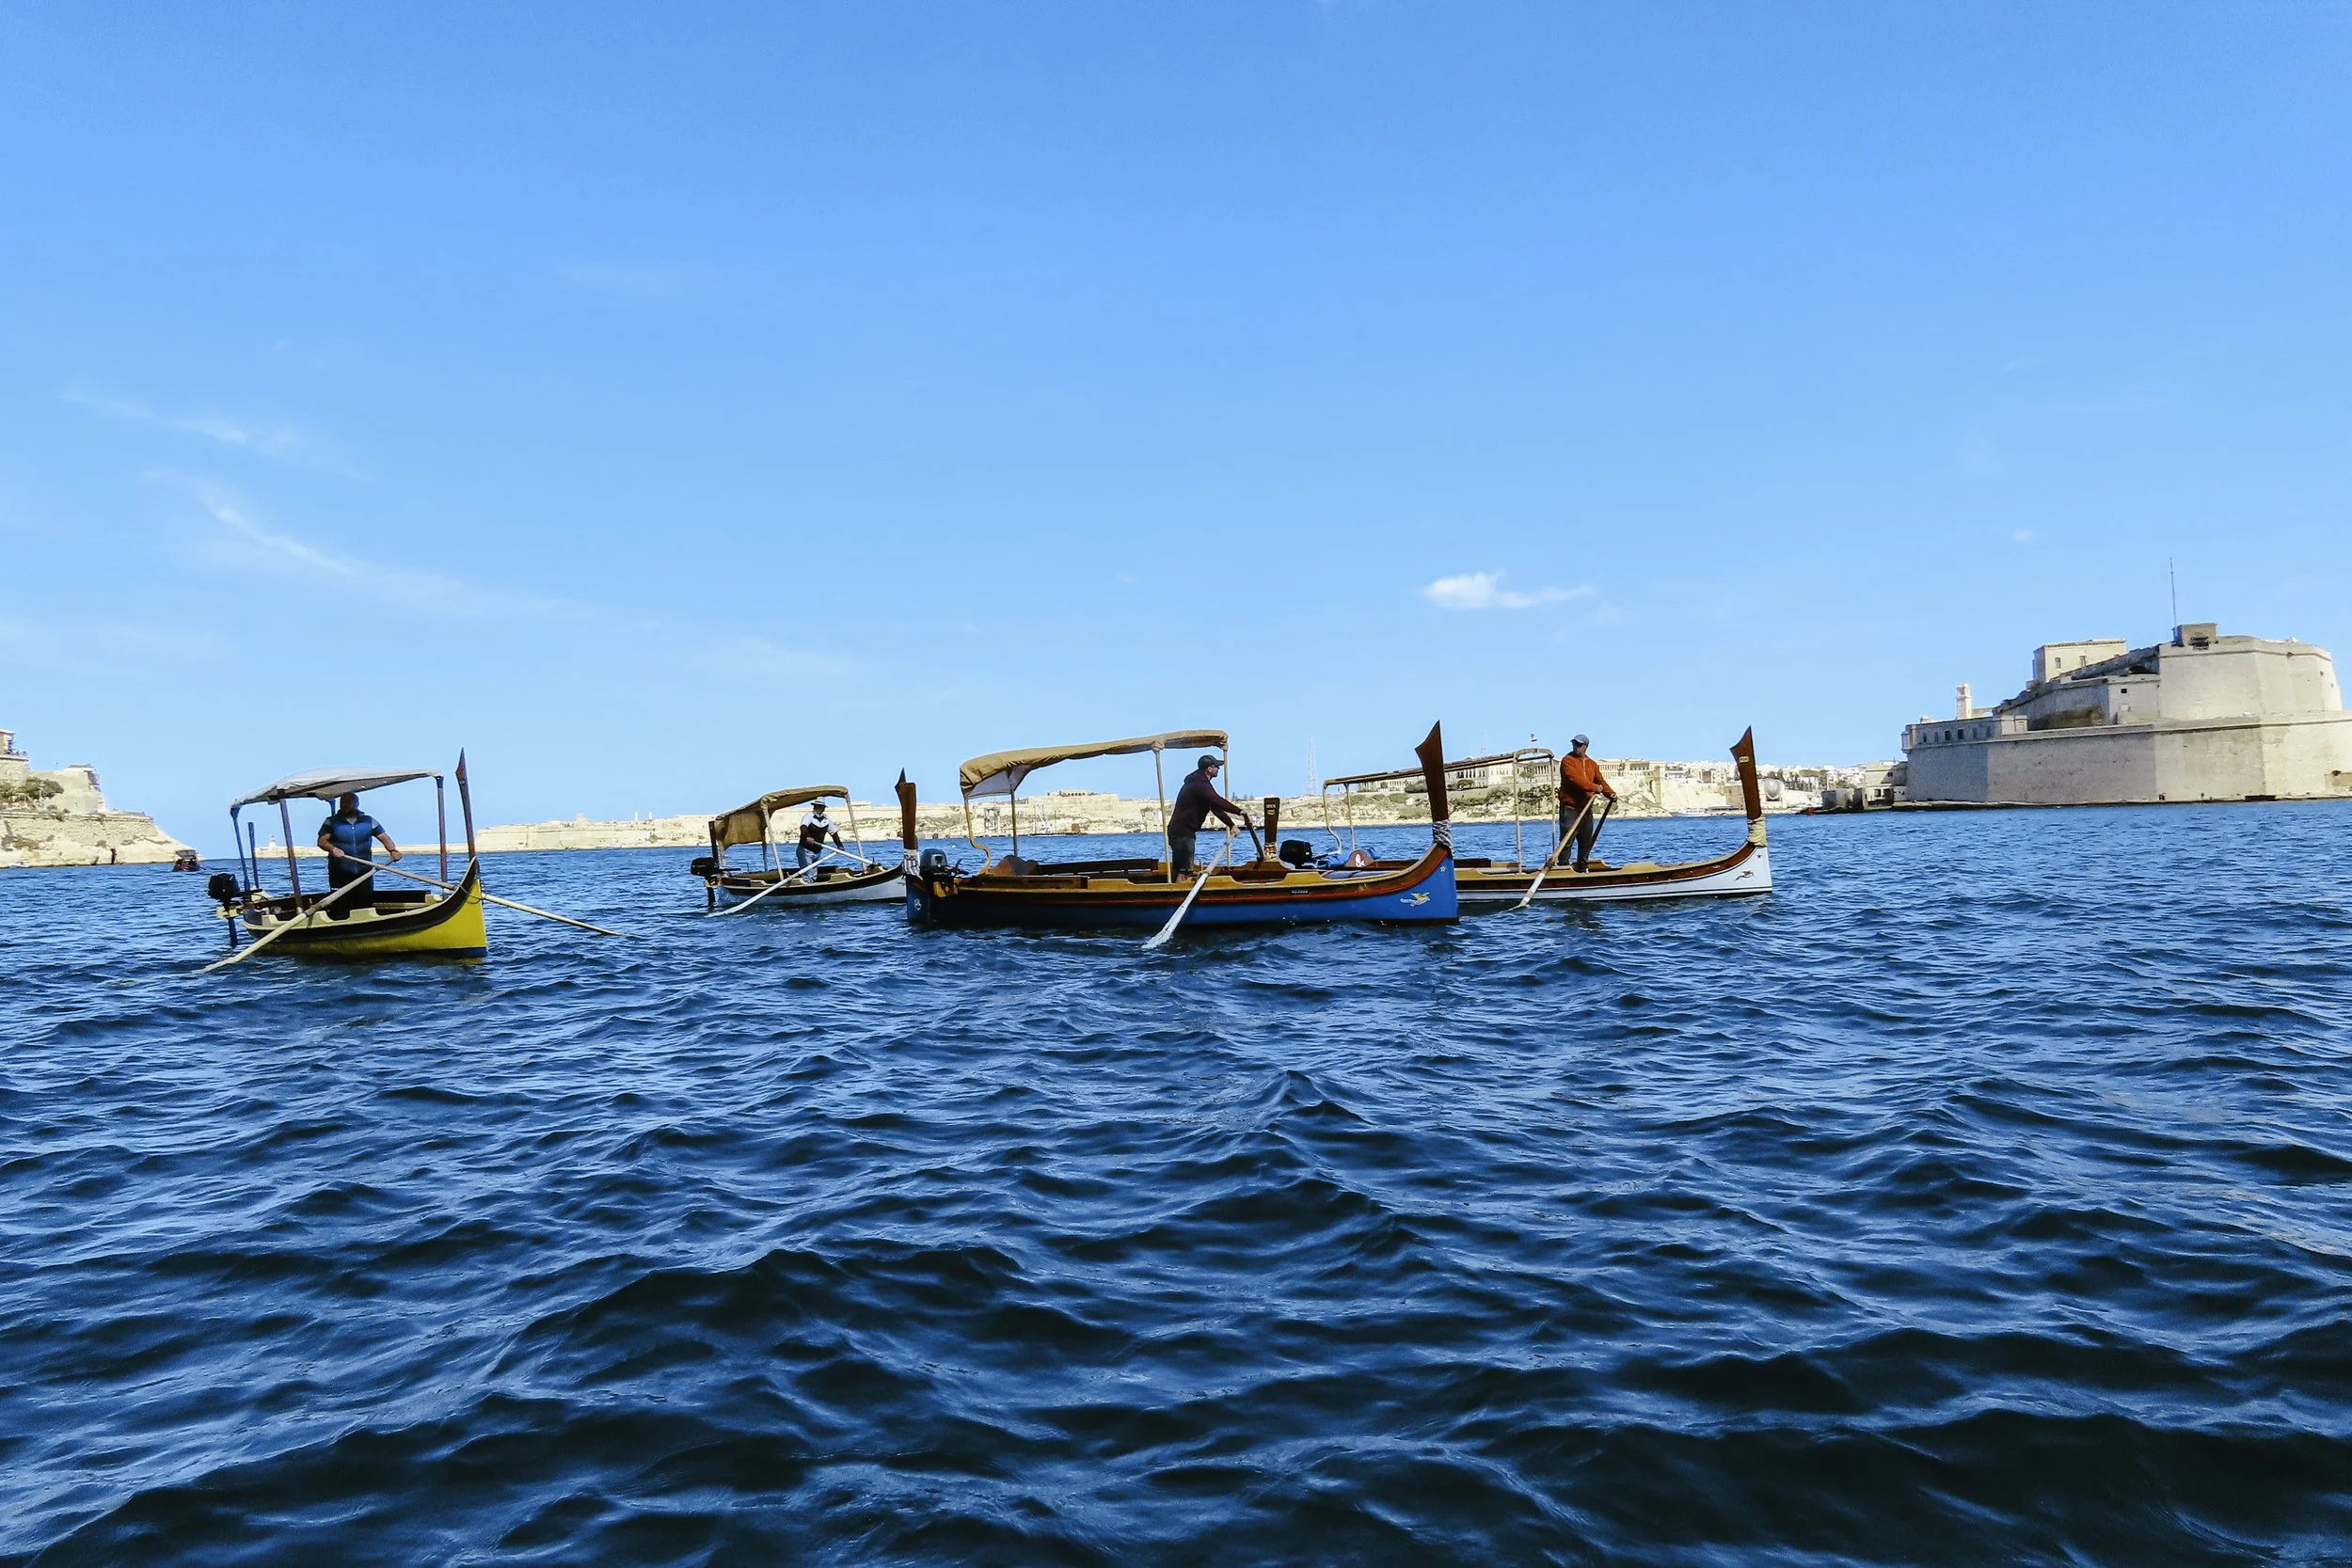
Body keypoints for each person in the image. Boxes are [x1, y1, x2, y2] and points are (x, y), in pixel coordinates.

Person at [1165, 752, 1245, 878]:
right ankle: (1179, 888)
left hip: (1181, 831)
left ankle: (1177, 886)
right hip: (1182, 833)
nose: (1218, 769)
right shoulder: (1200, 784)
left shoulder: (1199, 783)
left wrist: (1231, 825)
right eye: (1216, 766)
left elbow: (1215, 808)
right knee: (1184, 870)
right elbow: (1217, 800)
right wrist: (1240, 812)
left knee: (1182, 867)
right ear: (1209, 769)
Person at [316, 792, 401, 901]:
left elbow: (384, 838)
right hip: (339, 871)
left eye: (348, 802)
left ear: (356, 804)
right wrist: (333, 849)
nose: (344, 805)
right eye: (342, 802)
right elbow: (322, 842)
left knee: (364, 901)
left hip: (364, 871)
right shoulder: (331, 822)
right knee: (340, 903)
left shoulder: (368, 821)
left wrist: (393, 851)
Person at [1557, 734, 1617, 872]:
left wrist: (1610, 793)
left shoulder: (1592, 764)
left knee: (1586, 843)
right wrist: (1594, 788)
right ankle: (1563, 868)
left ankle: (1582, 869)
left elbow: (1600, 781)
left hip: (1586, 810)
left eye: (1579, 745)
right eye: (1574, 744)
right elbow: (1575, 780)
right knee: (1566, 842)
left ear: (1585, 746)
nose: (1576, 747)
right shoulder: (1567, 761)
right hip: (1570, 809)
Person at [797, 800, 844, 869]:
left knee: (813, 872)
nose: (818, 808)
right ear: (814, 806)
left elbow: (833, 833)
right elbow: (803, 827)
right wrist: (807, 837)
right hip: (806, 850)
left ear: (824, 808)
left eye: (821, 806)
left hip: (817, 851)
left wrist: (839, 845)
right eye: (817, 806)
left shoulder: (826, 819)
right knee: (808, 872)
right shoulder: (808, 816)